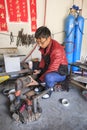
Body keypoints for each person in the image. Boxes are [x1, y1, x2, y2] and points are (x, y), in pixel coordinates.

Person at [27, 26, 68, 99]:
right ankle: (42, 86)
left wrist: (38, 81)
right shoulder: (45, 46)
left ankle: (48, 91)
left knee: (48, 77)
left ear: (49, 38)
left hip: (60, 72)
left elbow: (52, 68)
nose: (39, 45)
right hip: (52, 68)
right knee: (37, 69)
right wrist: (40, 70)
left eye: (41, 42)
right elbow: (43, 61)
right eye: (37, 42)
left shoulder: (57, 50)